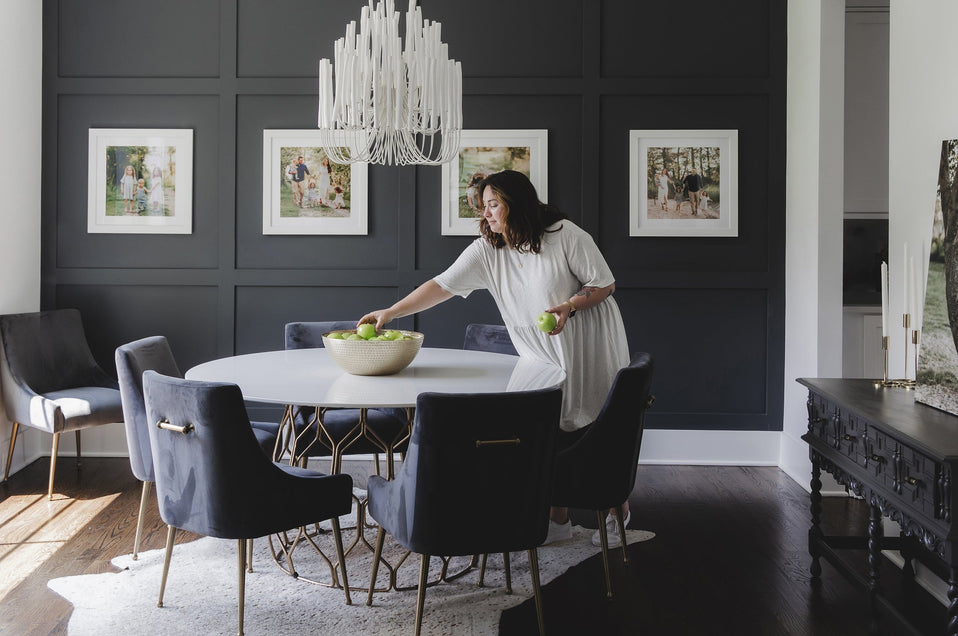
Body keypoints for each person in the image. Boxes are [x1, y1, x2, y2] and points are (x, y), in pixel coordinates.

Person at [358, 170, 632, 548]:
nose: (485, 213)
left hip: (588, 342)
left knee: (597, 426)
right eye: (483, 206)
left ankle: (618, 508)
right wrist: (391, 312)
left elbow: (603, 283)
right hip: (541, 352)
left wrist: (569, 306)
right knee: (550, 426)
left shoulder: (565, 235)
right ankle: (558, 516)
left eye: (493, 205)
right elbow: (441, 285)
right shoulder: (488, 250)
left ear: (515, 204)